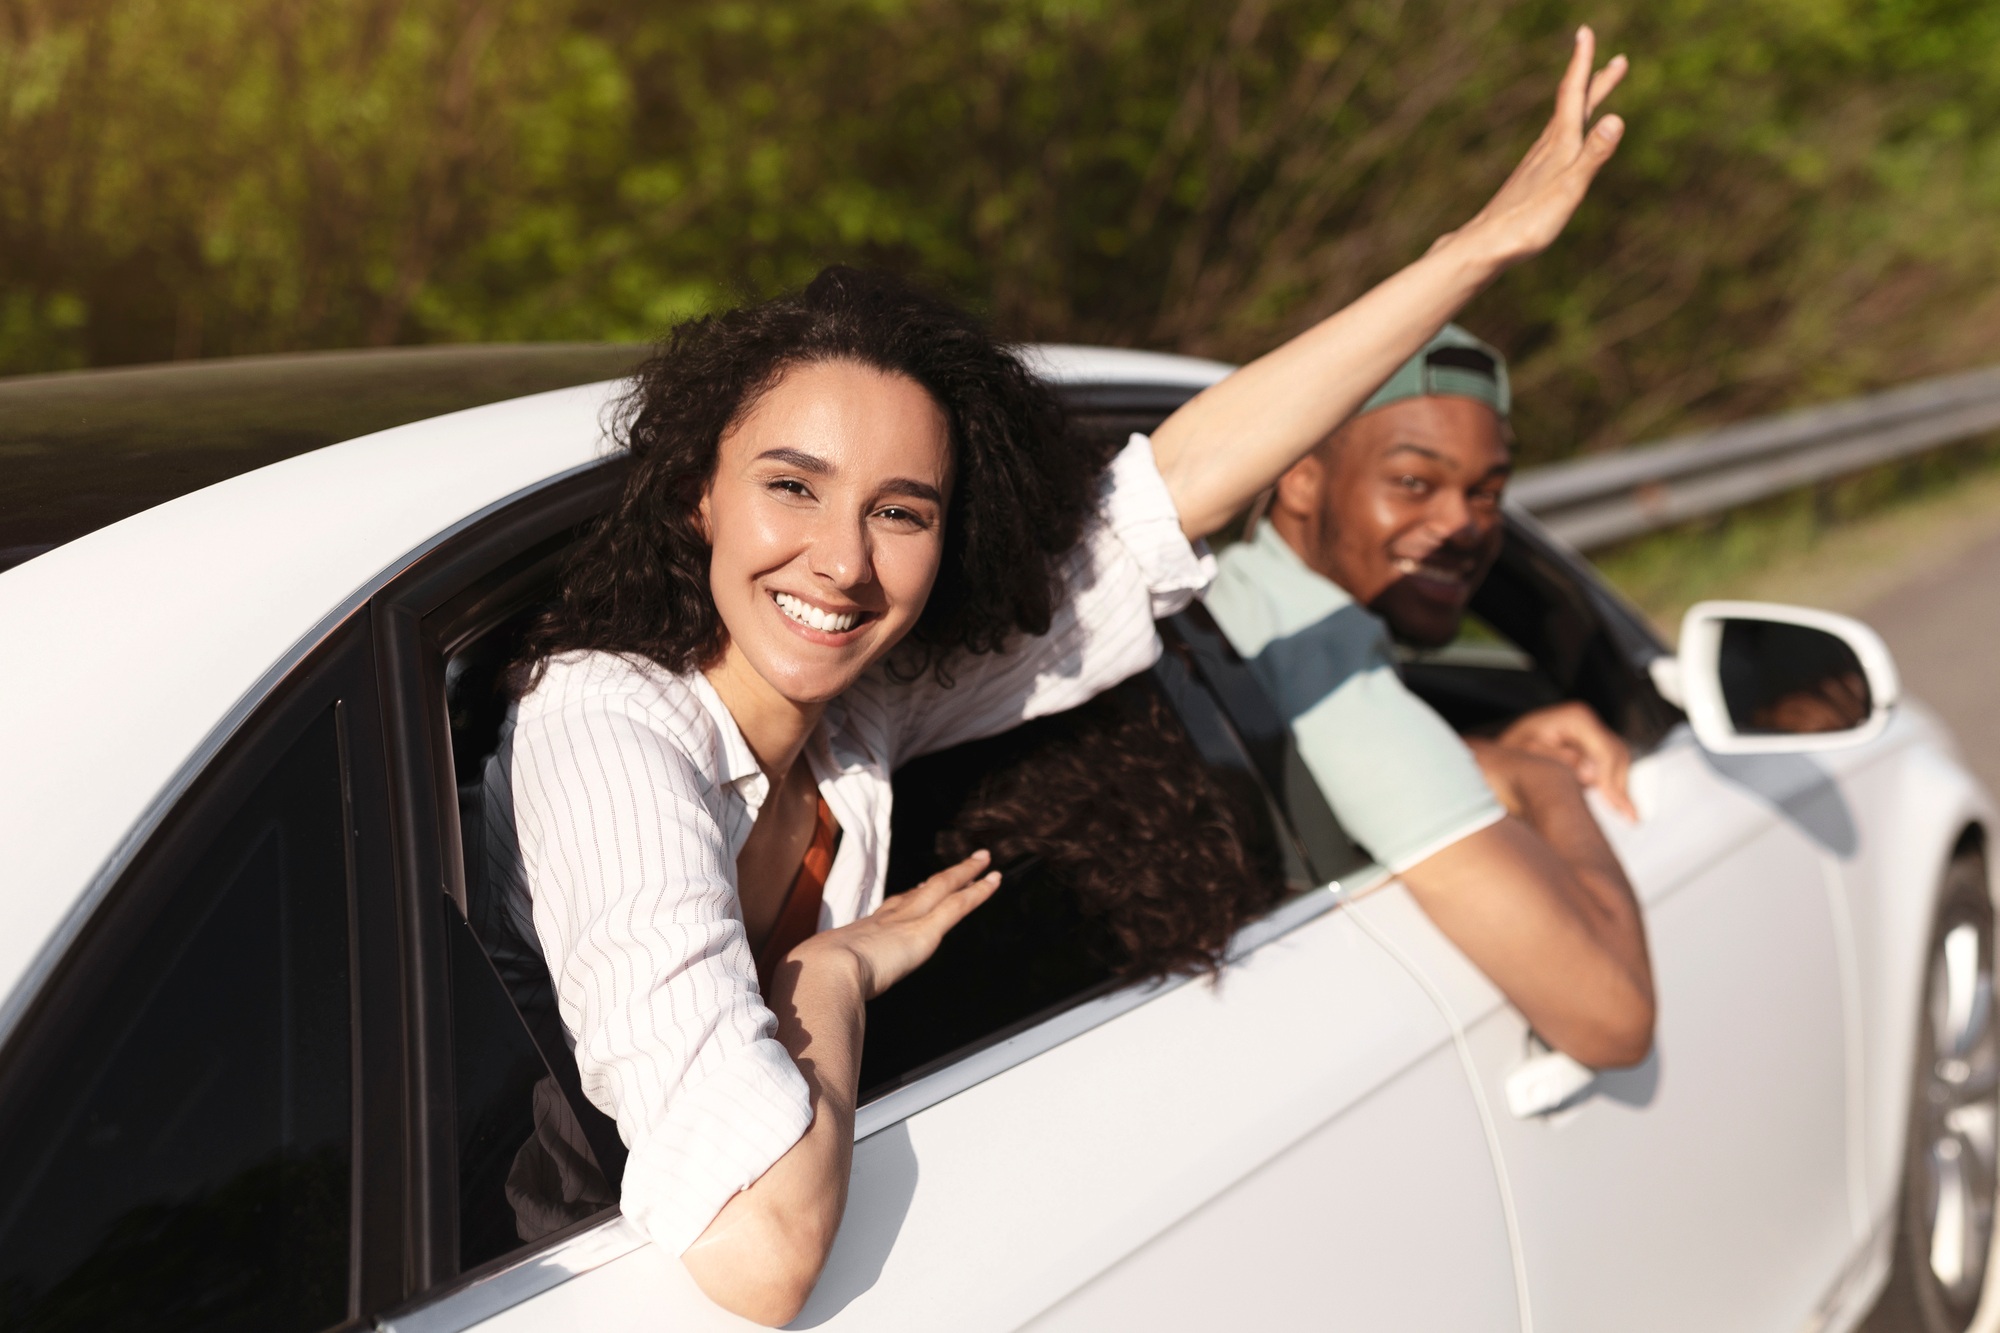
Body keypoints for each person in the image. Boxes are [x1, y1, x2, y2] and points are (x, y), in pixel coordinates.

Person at [489, 27, 1635, 1326]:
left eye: (902, 512)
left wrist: (1465, 256)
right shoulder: (603, 723)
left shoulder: (860, 710)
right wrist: (834, 975)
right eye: (792, 487)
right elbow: (760, 1258)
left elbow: (1169, 501)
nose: (842, 563)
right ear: (701, 489)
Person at [1204, 321, 1656, 1073]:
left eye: (1488, 492)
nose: (1463, 524)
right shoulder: (1326, 661)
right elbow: (1613, 1017)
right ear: (1301, 476)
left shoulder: (1232, 600)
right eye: (1414, 481)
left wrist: (1479, 752)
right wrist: (1541, 781)